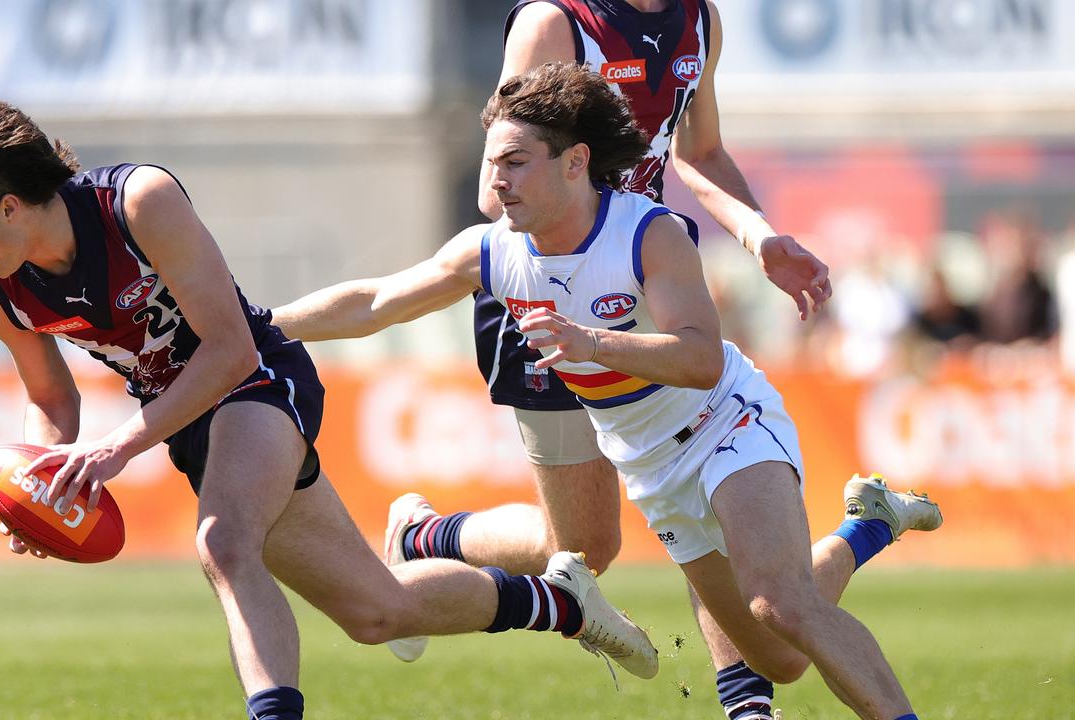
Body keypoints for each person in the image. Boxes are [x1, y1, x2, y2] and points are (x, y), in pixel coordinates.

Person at [0, 102, 658, 720]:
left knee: (223, 541)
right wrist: (43, 484)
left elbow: (230, 350)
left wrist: (115, 451)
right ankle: (561, 607)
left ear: (8, 206)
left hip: (257, 381)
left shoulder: (137, 204)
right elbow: (51, 399)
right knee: (377, 612)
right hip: (191, 422)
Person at [273, 63, 941, 720]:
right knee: (780, 656)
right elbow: (373, 303)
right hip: (651, 466)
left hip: (725, 422)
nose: (496, 181)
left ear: (574, 162)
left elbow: (704, 360)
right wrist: (259, 327)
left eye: (515, 162)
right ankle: (870, 526)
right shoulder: (492, 250)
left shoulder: (648, 233)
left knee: (780, 603)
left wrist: (594, 343)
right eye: (492, 163)